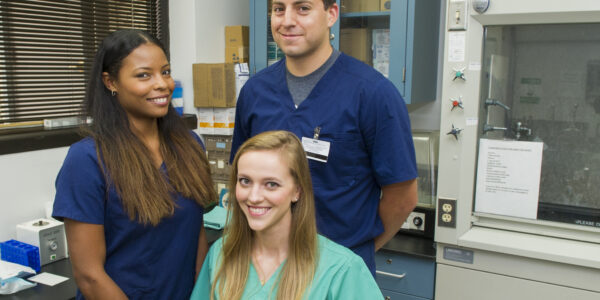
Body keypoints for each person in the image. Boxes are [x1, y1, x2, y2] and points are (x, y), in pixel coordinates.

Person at [230, 0, 418, 274]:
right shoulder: (255, 93)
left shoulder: (374, 94)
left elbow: (402, 197)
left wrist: (352, 256)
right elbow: (244, 182)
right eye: (279, 9)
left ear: (331, 14)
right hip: (267, 268)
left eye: (303, 8)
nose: (287, 20)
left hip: (338, 270)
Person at [52, 29, 216, 299]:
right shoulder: (87, 160)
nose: (162, 84)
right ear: (110, 82)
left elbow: (195, 235)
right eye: (144, 75)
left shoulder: (188, 146)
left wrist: (201, 293)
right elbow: (89, 276)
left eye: (165, 72)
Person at [191, 130, 383, 300]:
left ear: (297, 190)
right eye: (245, 181)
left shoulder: (341, 270)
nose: (254, 197)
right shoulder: (222, 254)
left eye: (271, 184)